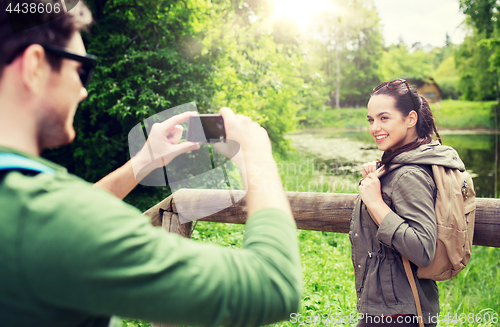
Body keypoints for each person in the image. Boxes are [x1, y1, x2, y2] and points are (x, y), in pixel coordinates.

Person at [0, 1, 302, 326]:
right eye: (81, 68)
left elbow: (66, 215)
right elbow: (274, 285)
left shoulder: (26, 207)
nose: (84, 90)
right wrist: (258, 153)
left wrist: (144, 161)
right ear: (35, 66)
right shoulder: (44, 219)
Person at [350, 79, 466, 327]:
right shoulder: (398, 166)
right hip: (389, 309)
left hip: (401, 316)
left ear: (410, 119)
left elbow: (423, 249)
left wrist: (376, 204)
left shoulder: (409, 174)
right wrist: (379, 175)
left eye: (384, 118)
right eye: (371, 119)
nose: (374, 127)